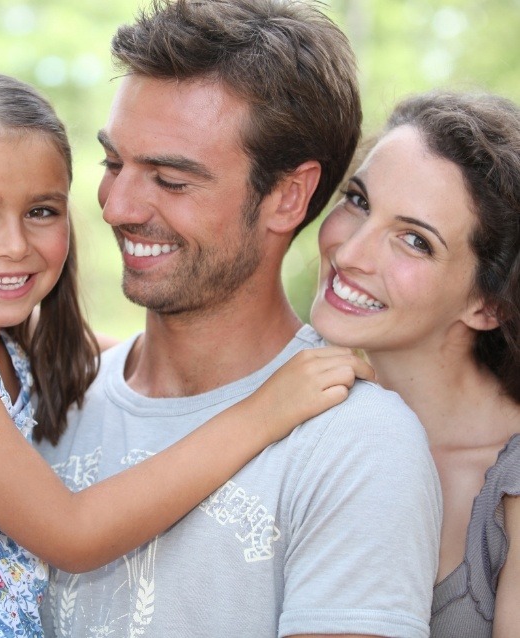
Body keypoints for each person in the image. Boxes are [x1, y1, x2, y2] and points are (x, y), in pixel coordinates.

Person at [0, 70, 374, 637]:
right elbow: (74, 535)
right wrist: (267, 409)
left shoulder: (14, 343)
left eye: (41, 211)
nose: (14, 245)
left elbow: (159, 365)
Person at [34, 1, 442, 637]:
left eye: (170, 180)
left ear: (288, 196)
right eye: (114, 163)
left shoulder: (356, 444)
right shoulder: (50, 396)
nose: (116, 207)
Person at [310, 90, 520, 638]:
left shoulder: (508, 486)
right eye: (357, 200)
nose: (350, 252)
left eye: (413, 240)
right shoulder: (302, 406)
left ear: (488, 305)